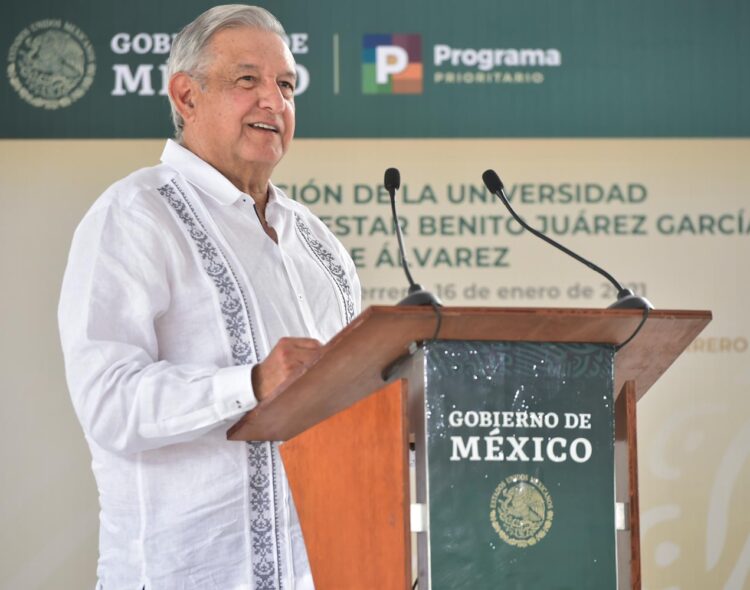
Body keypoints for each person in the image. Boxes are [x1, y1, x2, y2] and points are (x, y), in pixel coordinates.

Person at [58, 5, 360, 589]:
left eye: (287, 85)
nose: (274, 101)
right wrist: (249, 385)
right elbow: (108, 402)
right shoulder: (136, 214)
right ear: (186, 96)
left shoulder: (318, 242)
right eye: (248, 80)